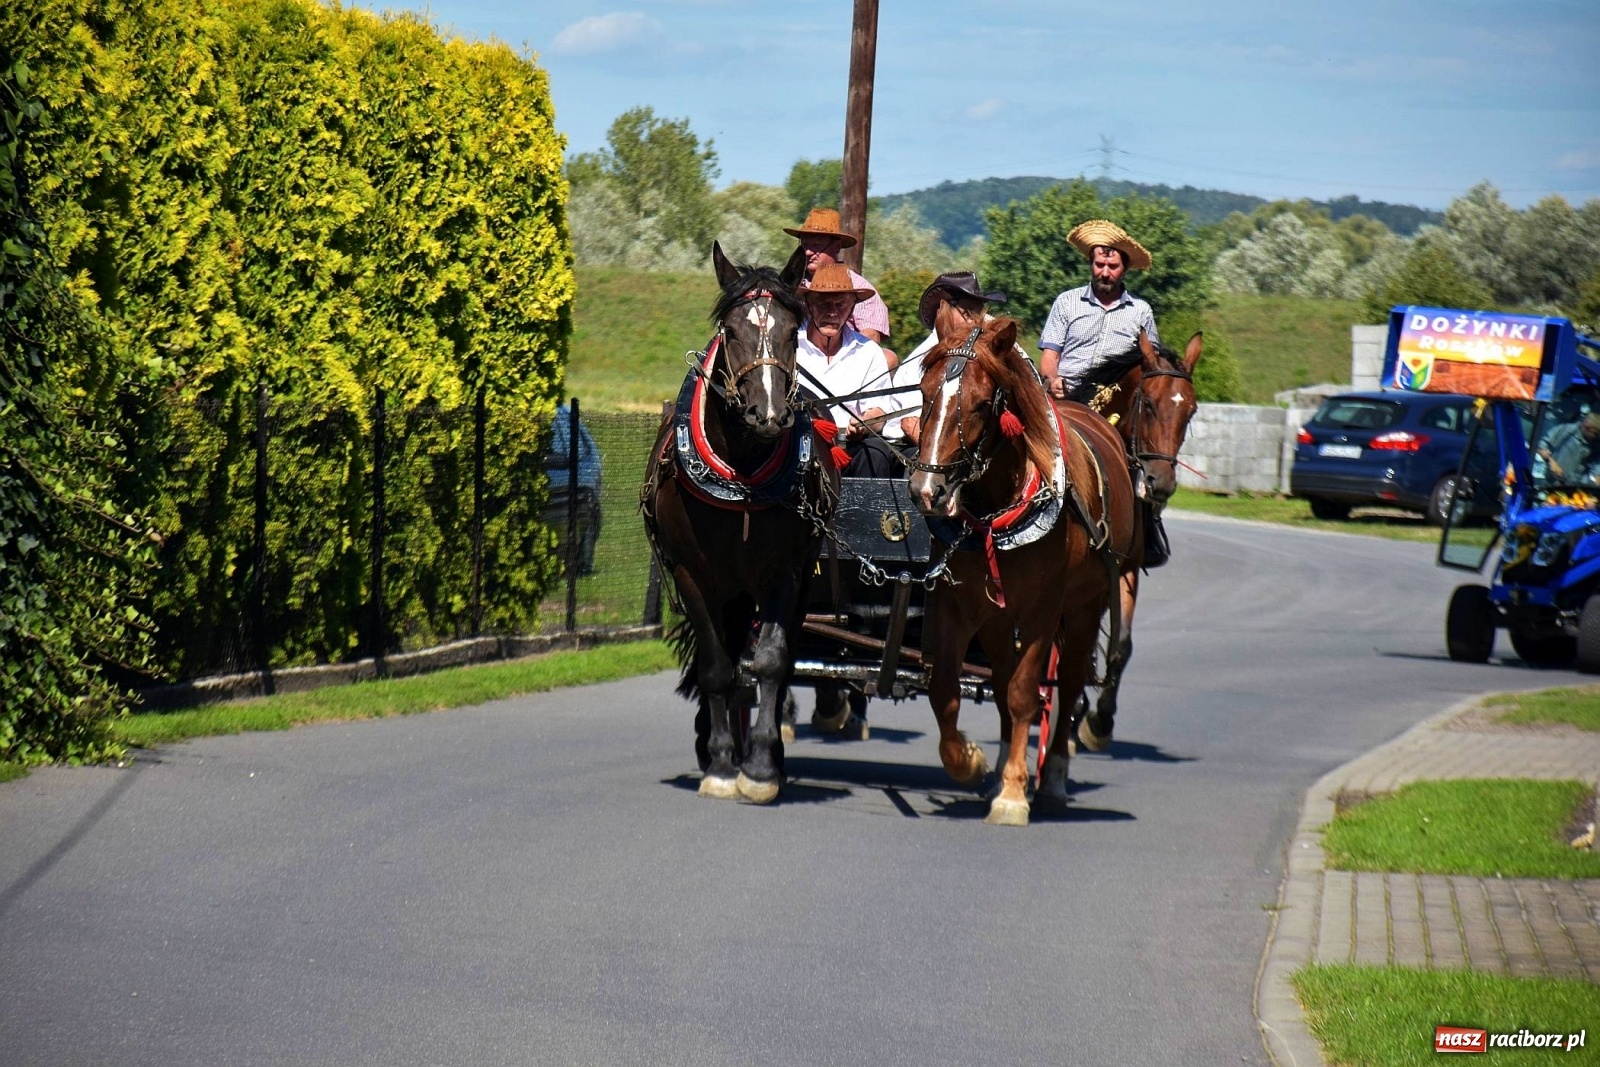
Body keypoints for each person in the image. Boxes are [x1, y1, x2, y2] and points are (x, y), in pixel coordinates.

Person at [1038, 219, 1160, 404]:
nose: (1104, 273)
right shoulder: (1067, 302)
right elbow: (1050, 356)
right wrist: (1053, 380)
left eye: (1112, 267)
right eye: (1099, 264)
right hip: (1067, 397)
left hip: (1114, 402)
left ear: (1124, 269)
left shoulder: (1141, 311)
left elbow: (1152, 363)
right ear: (1090, 263)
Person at [883, 272, 1010, 448]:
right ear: (941, 310)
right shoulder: (917, 362)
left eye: (979, 312)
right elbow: (910, 424)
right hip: (909, 449)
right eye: (967, 312)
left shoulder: (978, 357)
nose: (976, 321)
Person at [796, 263, 897, 476]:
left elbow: (879, 410)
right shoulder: (789, 345)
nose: (832, 312)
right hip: (796, 444)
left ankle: (865, 510)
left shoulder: (868, 352)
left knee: (876, 451)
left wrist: (865, 423)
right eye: (824, 304)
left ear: (852, 308)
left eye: (841, 305)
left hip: (847, 447)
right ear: (809, 305)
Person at [784, 207, 896, 365]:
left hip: (844, 362)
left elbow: (870, 337)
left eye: (816, 245)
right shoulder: (790, 283)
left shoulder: (857, 287)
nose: (808, 252)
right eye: (805, 245)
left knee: (888, 358)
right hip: (795, 358)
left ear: (836, 247)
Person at [1536, 410, 1600, 486]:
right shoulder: (1566, 431)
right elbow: (1540, 445)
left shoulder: (1596, 445)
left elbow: (1596, 469)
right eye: (1596, 433)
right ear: (1586, 427)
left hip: (1573, 488)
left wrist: (1595, 478)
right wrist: (1550, 461)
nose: (1597, 436)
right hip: (1548, 482)